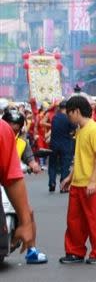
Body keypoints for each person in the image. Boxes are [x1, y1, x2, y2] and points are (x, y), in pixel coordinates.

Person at [58, 94, 96, 265]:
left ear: (77, 111)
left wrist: (93, 181)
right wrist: (70, 177)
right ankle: (75, 251)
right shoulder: (80, 130)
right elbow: (79, 157)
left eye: (69, 113)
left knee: (95, 220)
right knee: (74, 221)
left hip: (94, 183)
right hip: (78, 182)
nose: (68, 117)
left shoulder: (94, 129)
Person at [1, 107, 47, 264]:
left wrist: (34, 166)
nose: (12, 131)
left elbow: (29, 160)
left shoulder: (20, 142)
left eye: (15, 129)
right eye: (9, 126)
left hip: (9, 184)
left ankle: (31, 249)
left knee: (28, 212)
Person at [3, 107, 41, 174]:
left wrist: (34, 165)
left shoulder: (23, 142)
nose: (11, 133)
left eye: (15, 131)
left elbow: (29, 158)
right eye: (9, 129)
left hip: (13, 178)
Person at [49, 101, 76, 193]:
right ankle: (63, 185)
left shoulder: (55, 117)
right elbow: (73, 129)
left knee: (52, 164)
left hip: (54, 144)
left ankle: (52, 183)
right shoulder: (68, 118)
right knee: (65, 165)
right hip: (66, 144)